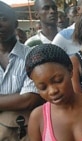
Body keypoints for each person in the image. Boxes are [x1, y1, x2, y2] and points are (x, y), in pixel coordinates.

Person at [26, 44, 82, 141]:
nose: (52, 91)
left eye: (58, 80)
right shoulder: (37, 118)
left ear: (70, 71)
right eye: (43, 87)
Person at [0, 2, 44, 140]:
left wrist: (22, 99)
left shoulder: (33, 56)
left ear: (16, 24)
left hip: (25, 131)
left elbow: (30, 99)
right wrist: (15, 98)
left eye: (3, 19)